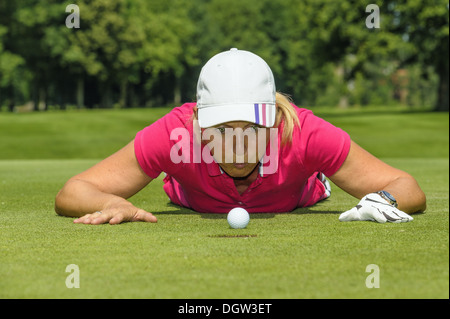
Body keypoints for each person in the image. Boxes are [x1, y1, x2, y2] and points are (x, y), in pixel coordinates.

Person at [55, 48, 426, 225]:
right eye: (220, 130)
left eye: (250, 128)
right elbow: (73, 191)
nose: (237, 145)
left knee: (316, 185)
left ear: (274, 117)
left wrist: (385, 199)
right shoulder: (175, 133)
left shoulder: (303, 133)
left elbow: (407, 186)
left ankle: (318, 181)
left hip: (297, 195)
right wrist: (111, 202)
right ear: (199, 122)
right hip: (188, 196)